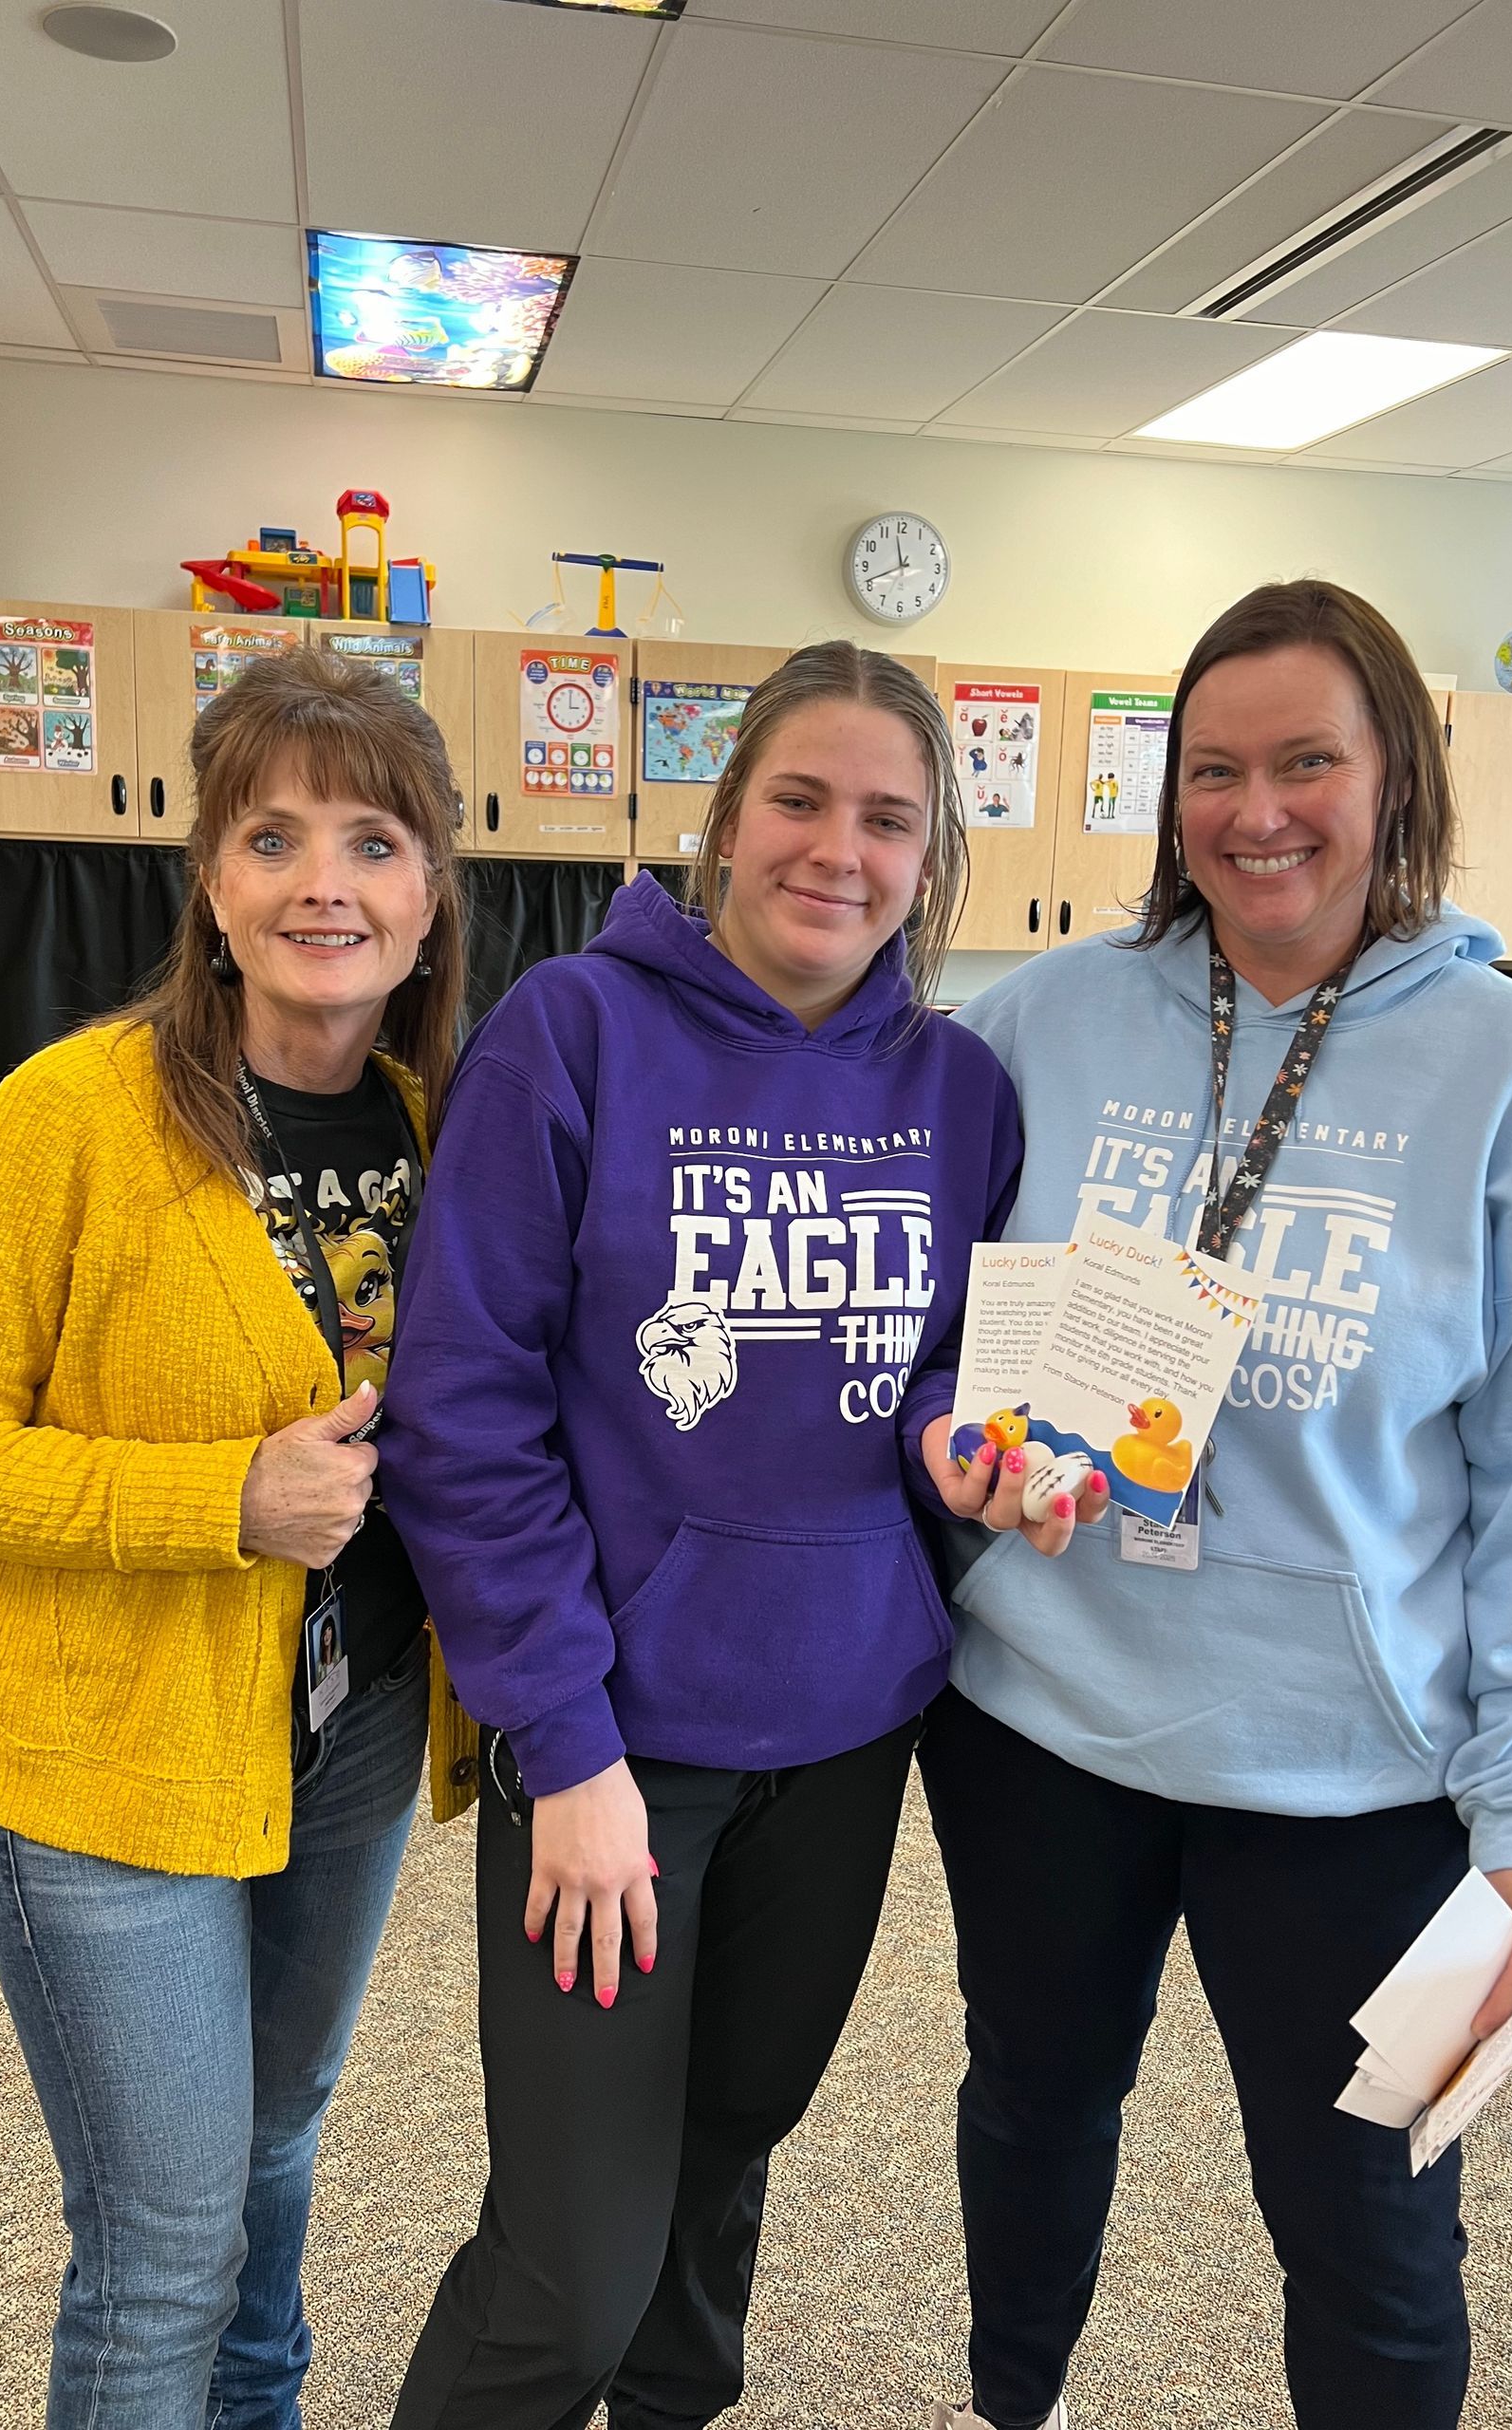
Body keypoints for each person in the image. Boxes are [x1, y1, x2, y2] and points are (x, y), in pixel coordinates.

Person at [917, 579, 1512, 2430]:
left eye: (1309, 760)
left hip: (1354, 1772)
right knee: (1031, 2109)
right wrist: (959, 1448)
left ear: (1397, 776)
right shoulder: (1041, 1022)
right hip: (1042, 1720)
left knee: (1374, 2230)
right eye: (1216, 768)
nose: (1259, 811)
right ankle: (1021, 2404)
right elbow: (930, 1343)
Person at [377, 641, 1107, 2430]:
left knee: (718, 2185)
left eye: (887, 819)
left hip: (849, 1733)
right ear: (724, 818)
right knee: (569, 2271)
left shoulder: (958, 1094)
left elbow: (944, 1370)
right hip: (616, 1749)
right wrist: (568, 1746)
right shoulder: (573, 1032)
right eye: (800, 798)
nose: (836, 851)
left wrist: (962, 1445)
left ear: (932, 860)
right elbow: (463, 1417)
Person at [0, 649, 474, 2430]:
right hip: (114, 1753)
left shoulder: (448, 1126)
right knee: (166, 2242)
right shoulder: (72, 1114)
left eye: (372, 840)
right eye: (272, 838)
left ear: (432, 897)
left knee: (277, 2150)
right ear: (209, 883)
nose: (323, 883)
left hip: (347, 1732)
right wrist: (222, 1502)